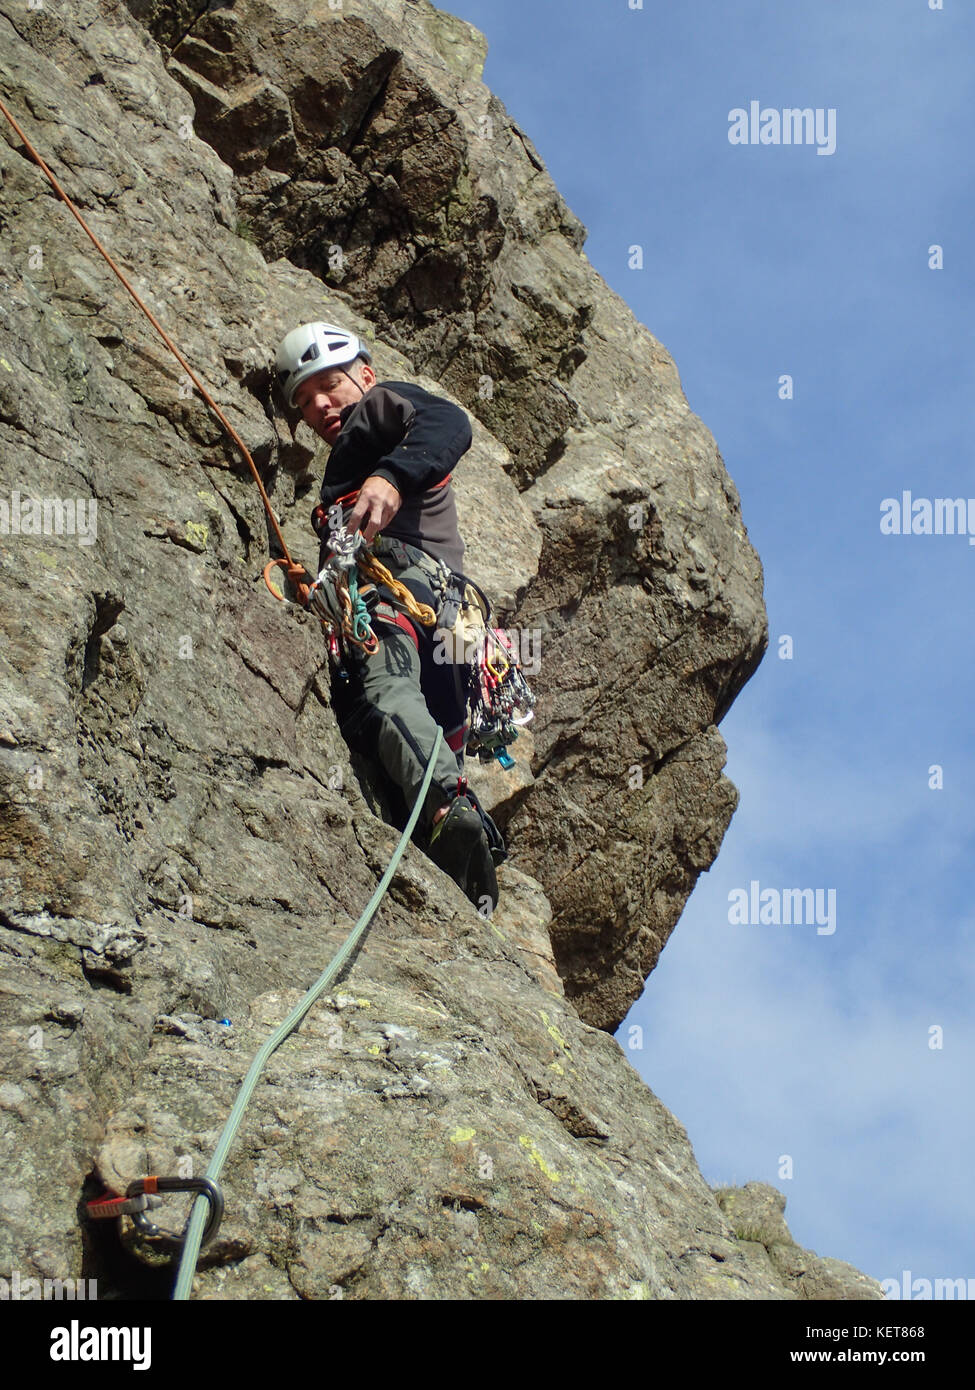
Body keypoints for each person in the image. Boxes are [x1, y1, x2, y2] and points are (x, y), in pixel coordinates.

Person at [274, 320, 503, 911]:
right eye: (305, 402)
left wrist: (390, 476)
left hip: (405, 592)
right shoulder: (341, 480)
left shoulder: (380, 410)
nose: (319, 405)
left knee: (381, 690)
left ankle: (447, 807)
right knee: (411, 718)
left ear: (365, 375)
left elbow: (450, 423)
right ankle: (455, 839)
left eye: (327, 385)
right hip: (438, 629)